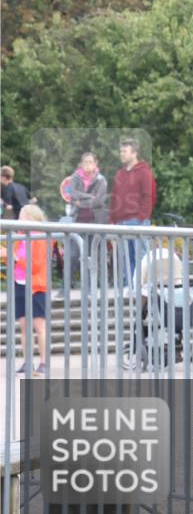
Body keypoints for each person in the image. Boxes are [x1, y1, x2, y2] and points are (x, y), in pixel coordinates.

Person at [0, 205, 51, 376]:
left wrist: (12, 256)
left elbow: (35, 265)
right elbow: (14, 260)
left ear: (31, 217)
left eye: (22, 216)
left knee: (39, 326)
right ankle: (27, 362)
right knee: (24, 326)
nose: (19, 220)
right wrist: (7, 255)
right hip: (20, 283)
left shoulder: (41, 236)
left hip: (36, 285)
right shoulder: (20, 236)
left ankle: (44, 363)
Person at [61, 152, 109, 293]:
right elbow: (72, 194)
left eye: (90, 162)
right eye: (85, 162)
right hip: (78, 221)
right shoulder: (75, 177)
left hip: (95, 222)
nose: (88, 165)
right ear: (81, 164)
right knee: (73, 254)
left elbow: (99, 201)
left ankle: (89, 288)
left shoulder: (101, 180)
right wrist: (89, 197)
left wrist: (81, 203)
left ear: (96, 164)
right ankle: (64, 287)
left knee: (91, 255)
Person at [109, 139, 156, 282]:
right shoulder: (120, 173)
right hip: (121, 221)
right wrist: (112, 219)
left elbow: (148, 196)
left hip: (137, 220)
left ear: (134, 153)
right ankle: (129, 290)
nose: (121, 154)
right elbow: (114, 197)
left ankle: (143, 289)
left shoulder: (144, 172)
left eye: (124, 151)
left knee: (141, 256)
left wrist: (142, 217)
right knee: (125, 258)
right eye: (120, 151)